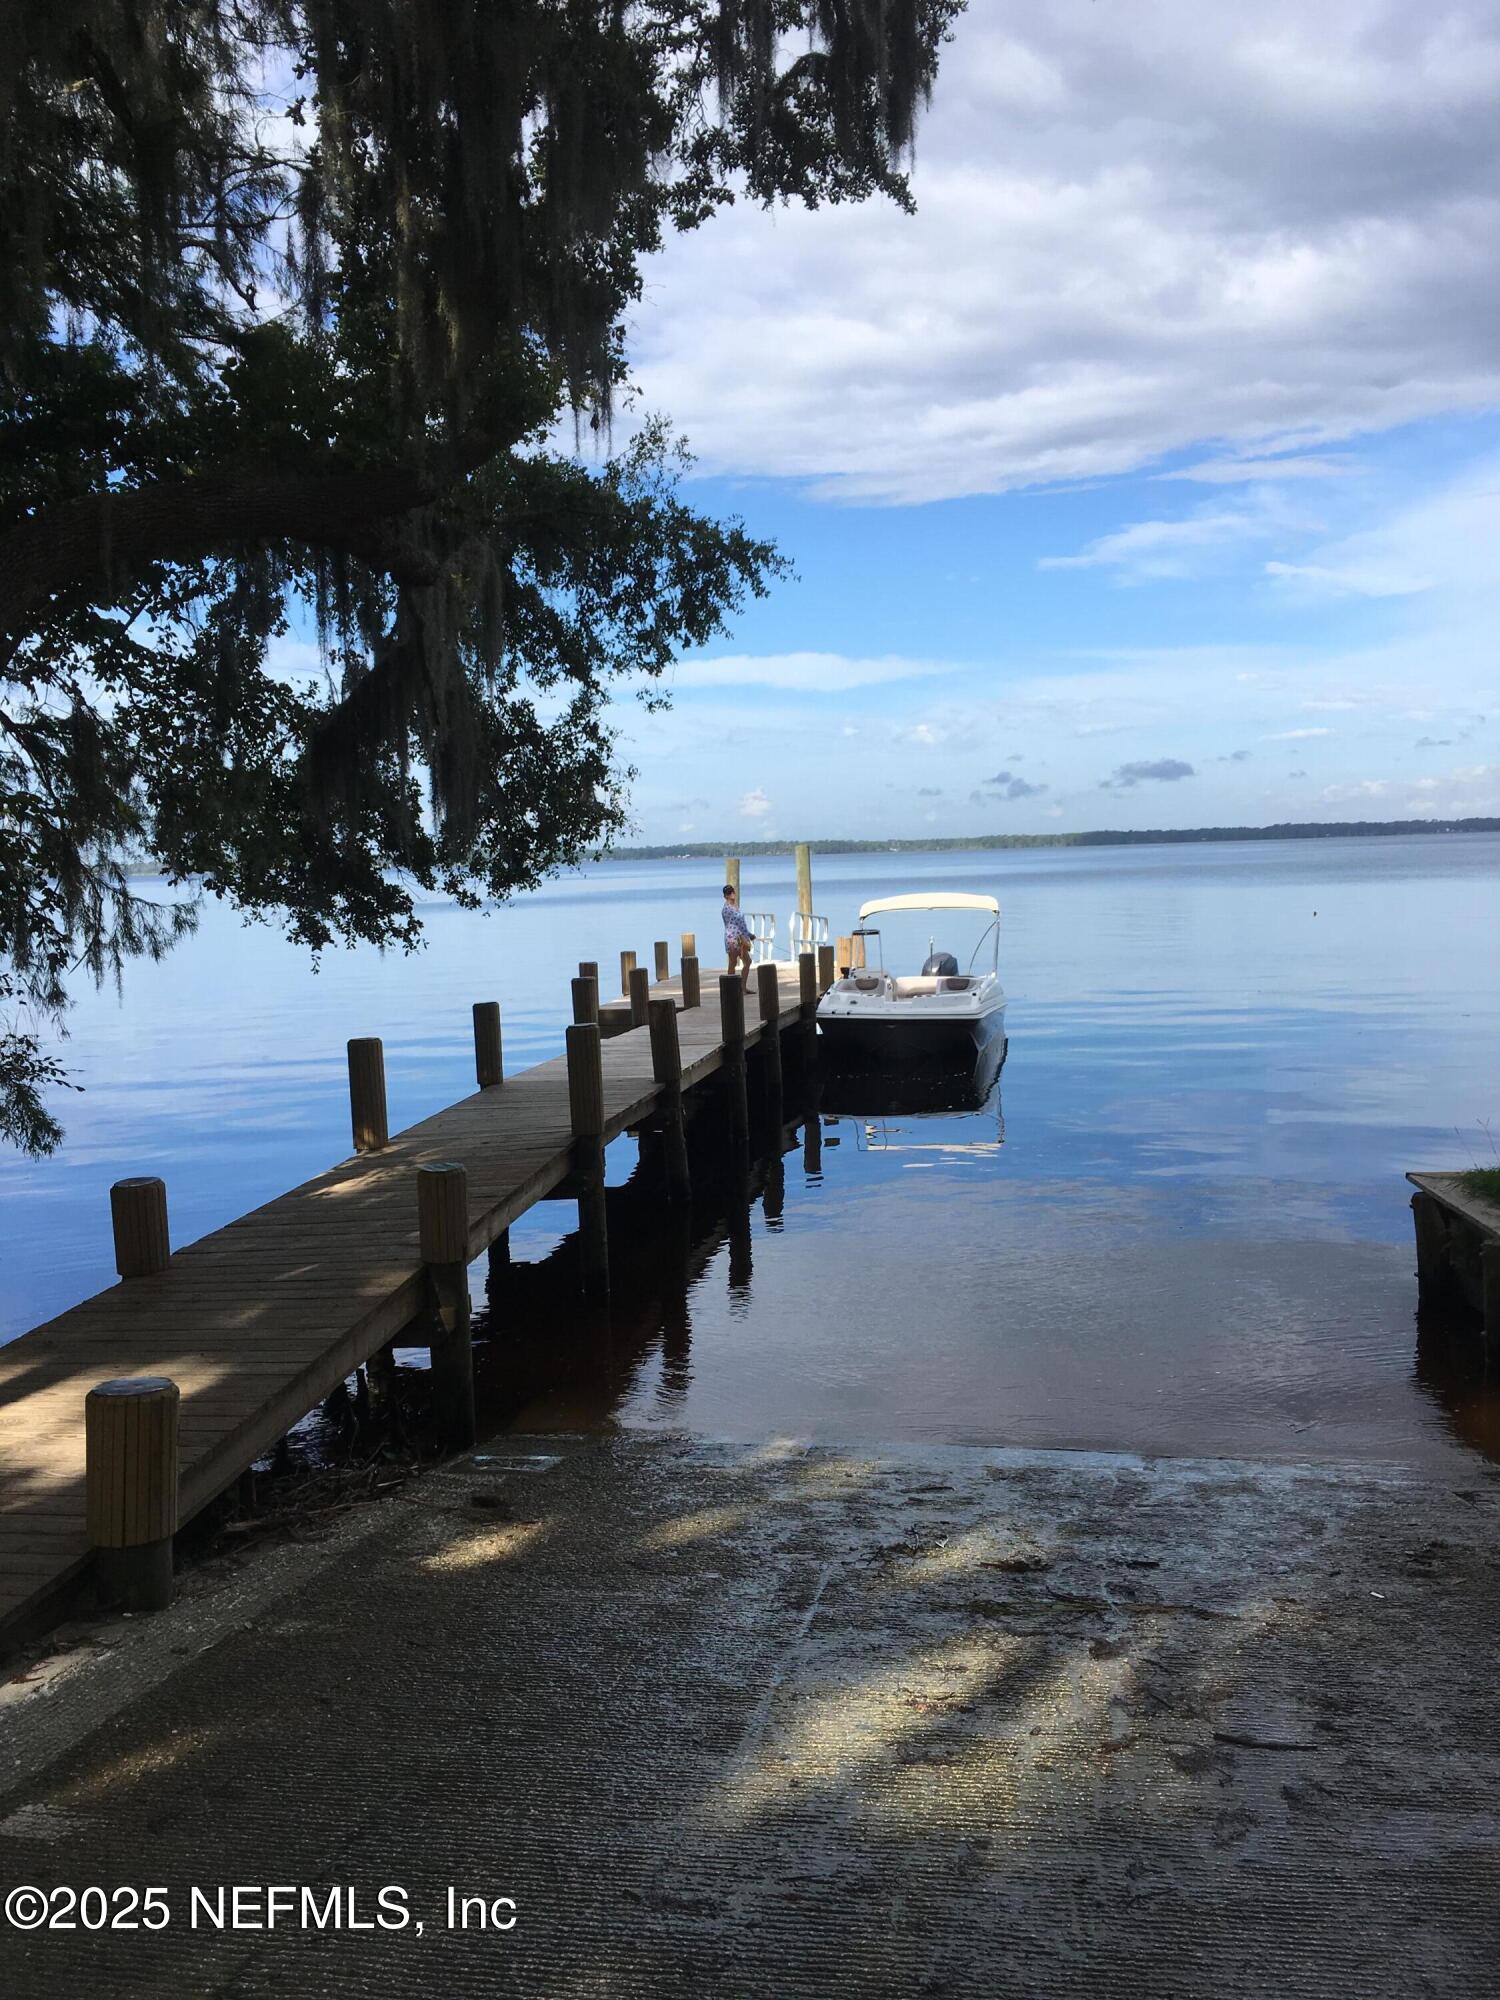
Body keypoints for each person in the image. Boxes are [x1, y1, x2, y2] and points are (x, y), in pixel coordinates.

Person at [722, 882, 753, 984]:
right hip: (732, 939)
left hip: (742, 938)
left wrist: (749, 934)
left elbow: (741, 923)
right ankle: (730, 987)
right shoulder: (726, 909)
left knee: (747, 962)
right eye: (729, 893)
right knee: (733, 962)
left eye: (732, 891)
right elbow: (732, 926)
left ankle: (742, 987)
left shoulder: (736, 907)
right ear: (725, 896)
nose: (732, 894)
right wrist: (742, 938)